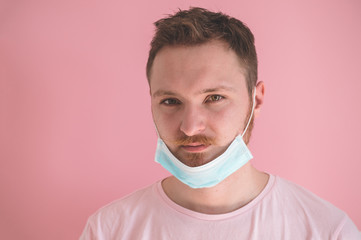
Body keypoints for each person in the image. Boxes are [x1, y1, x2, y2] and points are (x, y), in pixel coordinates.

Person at [80, 7, 360, 239]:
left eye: (214, 97)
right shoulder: (108, 230)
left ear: (257, 100)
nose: (190, 127)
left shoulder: (327, 231)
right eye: (170, 101)